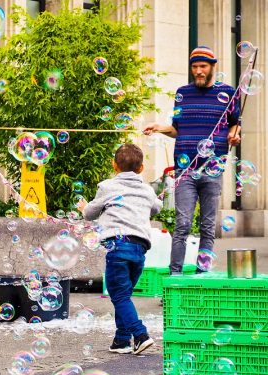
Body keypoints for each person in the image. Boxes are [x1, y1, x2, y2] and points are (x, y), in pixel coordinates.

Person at [143, 46, 241, 274]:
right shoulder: (183, 93)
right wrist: (159, 128)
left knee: (207, 226)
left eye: (202, 66)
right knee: (182, 224)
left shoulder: (228, 93)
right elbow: (177, 129)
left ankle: (201, 276)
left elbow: (235, 123)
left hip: (213, 168)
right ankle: (175, 276)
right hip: (185, 169)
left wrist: (234, 135)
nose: (198, 71)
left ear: (212, 67)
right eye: (195, 67)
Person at [77, 144, 162, 355]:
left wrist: (83, 207)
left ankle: (140, 335)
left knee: (119, 296)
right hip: (139, 249)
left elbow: (90, 213)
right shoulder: (147, 189)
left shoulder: (107, 187)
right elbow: (156, 208)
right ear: (141, 169)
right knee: (124, 294)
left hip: (118, 247)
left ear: (114, 165)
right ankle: (121, 340)